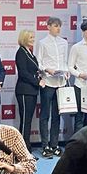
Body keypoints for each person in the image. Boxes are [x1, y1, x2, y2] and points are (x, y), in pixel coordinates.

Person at [36, 17, 68, 159]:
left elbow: (65, 62)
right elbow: (38, 62)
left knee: (57, 115)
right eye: (55, 25)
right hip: (48, 82)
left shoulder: (64, 42)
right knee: (45, 115)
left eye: (59, 26)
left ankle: (54, 145)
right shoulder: (42, 43)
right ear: (48, 26)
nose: (58, 28)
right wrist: (46, 69)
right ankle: (45, 146)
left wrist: (66, 72)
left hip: (60, 82)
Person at [14, 29, 42, 155]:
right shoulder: (21, 52)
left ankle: (25, 148)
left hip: (31, 91)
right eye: (31, 37)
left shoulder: (29, 52)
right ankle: (23, 151)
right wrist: (37, 82)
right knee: (25, 121)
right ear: (24, 38)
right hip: (25, 91)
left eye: (33, 37)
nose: (33, 39)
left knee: (28, 120)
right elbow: (23, 73)